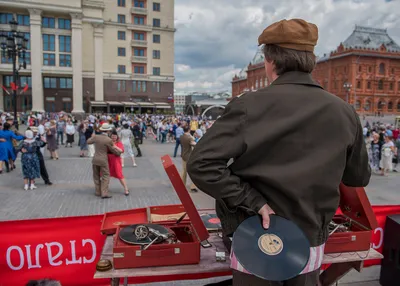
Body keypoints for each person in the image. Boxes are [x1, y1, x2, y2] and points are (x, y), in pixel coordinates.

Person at [187, 19, 370, 285]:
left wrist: (255, 201)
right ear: (311, 61)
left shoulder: (249, 105)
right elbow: (357, 178)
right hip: (309, 237)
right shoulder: (344, 112)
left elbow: (201, 164)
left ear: (269, 60)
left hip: (254, 236)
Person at [87, 123, 122, 199]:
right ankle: (104, 193)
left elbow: (88, 141)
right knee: (106, 176)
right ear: (108, 131)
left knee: (96, 176)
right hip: (103, 160)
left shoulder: (96, 137)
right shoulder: (108, 140)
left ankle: (97, 191)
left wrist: (93, 137)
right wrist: (119, 153)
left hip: (95, 159)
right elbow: (113, 150)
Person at [108, 131, 130, 195]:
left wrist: (115, 146)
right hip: (108, 160)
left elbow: (122, 150)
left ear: (117, 137)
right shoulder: (108, 142)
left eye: (115, 136)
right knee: (107, 175)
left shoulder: (119, 143)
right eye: (112, 136)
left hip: (116, 160)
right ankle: (105, 188)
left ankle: (126, 188)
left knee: (119, 174)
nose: (113, 138)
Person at [180, 125, 197, 192]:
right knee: (192, 172)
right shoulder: (189, 138)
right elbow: (194, 144)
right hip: (189, 156)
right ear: (189, 130)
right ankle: (193, 187)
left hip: (183, 155)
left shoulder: (181, 137)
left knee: (184, 171)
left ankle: (182, 184)